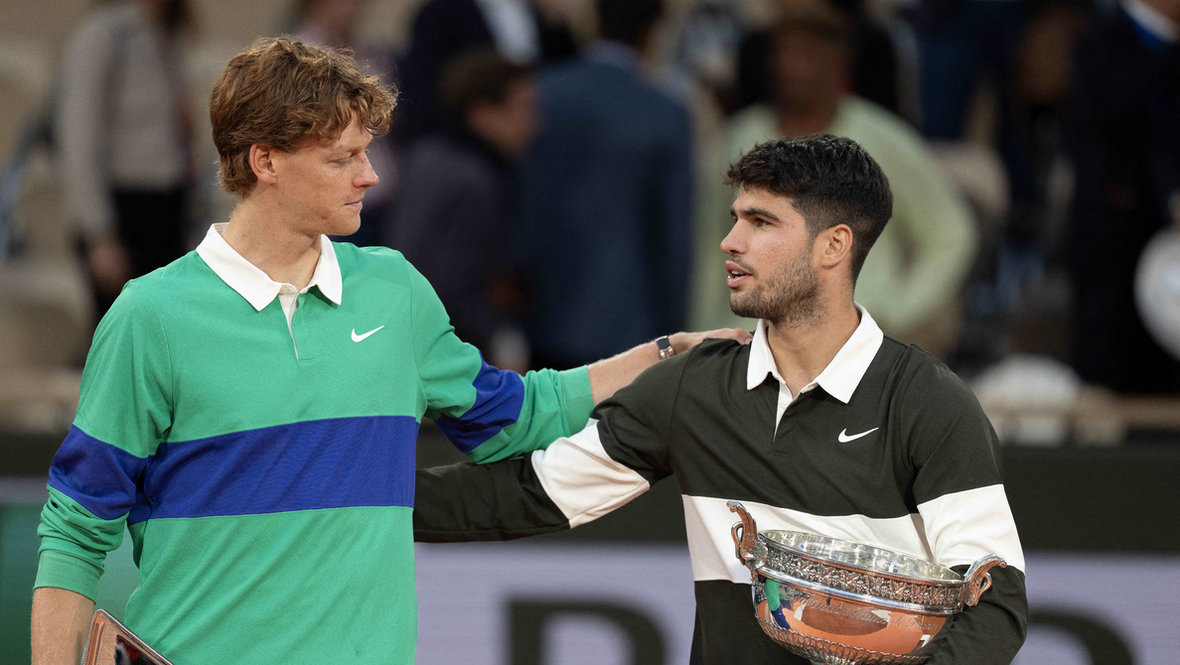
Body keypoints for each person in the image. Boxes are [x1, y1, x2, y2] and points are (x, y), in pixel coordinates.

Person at [30, 36, 749, 665]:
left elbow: (516, 417)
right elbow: (76, 531)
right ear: (265, 161)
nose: (369, 175)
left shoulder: (394, 290)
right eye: (342, 157)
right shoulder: (150, 316)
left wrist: (662, 354)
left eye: (366, 152)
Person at [415, 135, 1029, 665]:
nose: (730, 241)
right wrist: (358, 494)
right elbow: (526, 496)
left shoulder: (929, 402)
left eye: (761, 222)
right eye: (735, 218)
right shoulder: (692, 385)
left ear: (834, 246)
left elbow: (994, 601)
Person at [692, 4, 977, 358]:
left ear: (839, 63)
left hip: (854, 343)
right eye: (785, 53)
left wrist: (900, 310)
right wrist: (705, 338)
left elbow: (950, 231)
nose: (795, 68)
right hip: (756, 345)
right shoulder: (737, 138)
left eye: (809, 54)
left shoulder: (881, 139)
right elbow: (710, 250)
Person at [516, 0, 696, 369]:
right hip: (628, 321)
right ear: (652, 34)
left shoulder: (541, 92)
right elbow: (673, 234)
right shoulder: (664, 111)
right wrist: (676, 330)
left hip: (539, 308)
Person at [383, 48, 538, 370]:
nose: (534, 124)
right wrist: (500, 338)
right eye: (523, 108)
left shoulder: (424, 156)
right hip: (452, 356)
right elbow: (454, 285)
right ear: (483, 114)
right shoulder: (474, 180)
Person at [55, 0, 197, 326]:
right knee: (122, 335)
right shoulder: (104, 33)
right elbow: (78, 137)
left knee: (164, 336)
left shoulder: (165, 35)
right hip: (123, 209)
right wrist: (98, 233)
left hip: (167, 206)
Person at [1064, 0, 1180, 393]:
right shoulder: (1101, 42)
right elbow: (1108, 138)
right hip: (1114, 245)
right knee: (1108, 380)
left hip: (1165, 252)